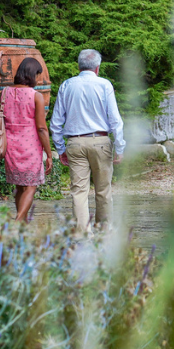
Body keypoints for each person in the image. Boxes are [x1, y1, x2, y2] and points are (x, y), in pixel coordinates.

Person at [50, 49, 125, 232]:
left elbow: (56, 123)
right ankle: (104, 229)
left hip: (75, 143)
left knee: (79, 192)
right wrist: (120, 146)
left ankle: (83, 234)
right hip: (100, 142)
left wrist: (60, 149)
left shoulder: (67, 85)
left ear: (78, 66)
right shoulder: (104, 85)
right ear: (97, 68)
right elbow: (115, 120)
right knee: (103, 190)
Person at [2, 57, 55, 222]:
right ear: (32, 75)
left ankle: (22, 224)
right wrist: (49, 153)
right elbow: (41, 128)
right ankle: (18, 221)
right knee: (31, 186)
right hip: (30, 147)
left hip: (10, 146)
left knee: (19, 186)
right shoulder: (36, 96)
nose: (38, 79)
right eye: (38, 75)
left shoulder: (4, 92)